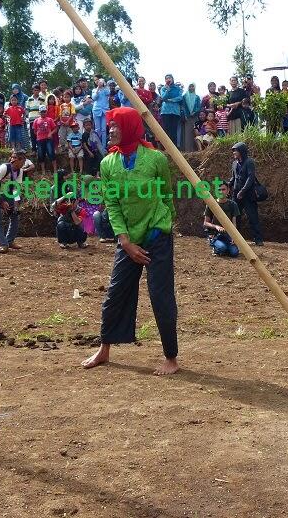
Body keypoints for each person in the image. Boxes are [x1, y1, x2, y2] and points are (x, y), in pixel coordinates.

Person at [80, 107, 178, 375]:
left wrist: (164, 227)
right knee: (115, 292)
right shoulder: (107, 164)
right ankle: (104, 349)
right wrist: (124, 240)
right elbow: (111, 202)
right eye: (110, 126)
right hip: (127, 238)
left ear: (131, 127)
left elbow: (167, 195)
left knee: (161, 296)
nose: (110, 130)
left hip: (157, 235)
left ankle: (171, 357)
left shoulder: (155, 159)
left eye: (116, 126)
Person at [0, 149, 33, 253]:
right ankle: (3, 245)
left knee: (14, 215)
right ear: (16, 160)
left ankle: (10, 240)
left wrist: (16, 205)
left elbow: (16, 189)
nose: (23, 164)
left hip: (7, 192)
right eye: (22, 161)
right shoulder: (4, 168)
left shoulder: (20, 171)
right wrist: (1, 201)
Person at [229, 142, 263, 246]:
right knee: (236, 217)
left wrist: (243, 191)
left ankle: (258, 239)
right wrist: (227, 185)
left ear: (242, 151)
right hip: (236, 194)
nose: (234, 152)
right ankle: (236, 238)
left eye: (236, 150)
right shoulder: (234, 164)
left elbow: (250, 178)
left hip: (248, 195)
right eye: (233, 150)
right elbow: (233, 178)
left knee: (252, 217)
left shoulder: (249, 162)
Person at [203, 181, 240, 257]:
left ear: (228, 190)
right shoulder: (211, 204)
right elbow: (206, 223)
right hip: (215, 235)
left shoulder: (233, 205)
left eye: (223, 189)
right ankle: (216, 246)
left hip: (228, 235)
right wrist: (216, 226)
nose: (221, 192)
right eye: (219, 190)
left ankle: (224, 247)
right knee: (222, 248)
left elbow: (234, 223)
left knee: (234, 253)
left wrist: (234, 236)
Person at [159, 75, 184, 147]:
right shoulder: (163, 88)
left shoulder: (177, 88)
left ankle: (174, 149)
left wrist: (171, 100)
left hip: (175, 112)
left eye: (169, 78)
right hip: (165, 111)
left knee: (174, 131)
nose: (168, 79)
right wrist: (168, 90)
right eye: (166, 78)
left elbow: (180, 97)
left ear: (173, 79)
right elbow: (163, 97)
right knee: (166, 130)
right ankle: (166, 148)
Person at [32, 104, 57, 176]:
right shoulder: (36, 120)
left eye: (44, 111)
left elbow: (55, 128)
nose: (43, 113)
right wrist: (39, 135)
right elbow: (34, 130)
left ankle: (55, 170)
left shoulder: (50, 119)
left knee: (51, 153)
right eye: (42, 112)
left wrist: (50, 133)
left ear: (46, 112)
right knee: (41, 154)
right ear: (39, 112)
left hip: (48, 139)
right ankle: (43, 171)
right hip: (40, 139)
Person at [182, 84, 201, 152]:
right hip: (187, 118)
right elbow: (183, 107)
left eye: (193, 86)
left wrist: (195, 112)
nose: (191, 88)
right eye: (190, 86)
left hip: (195, 117)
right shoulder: (184, 96)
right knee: (187, 133)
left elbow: (199, 107)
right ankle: (188, 150)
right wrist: (185, 115)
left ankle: (196, 150)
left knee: (195, 132)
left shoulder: (197, 97)